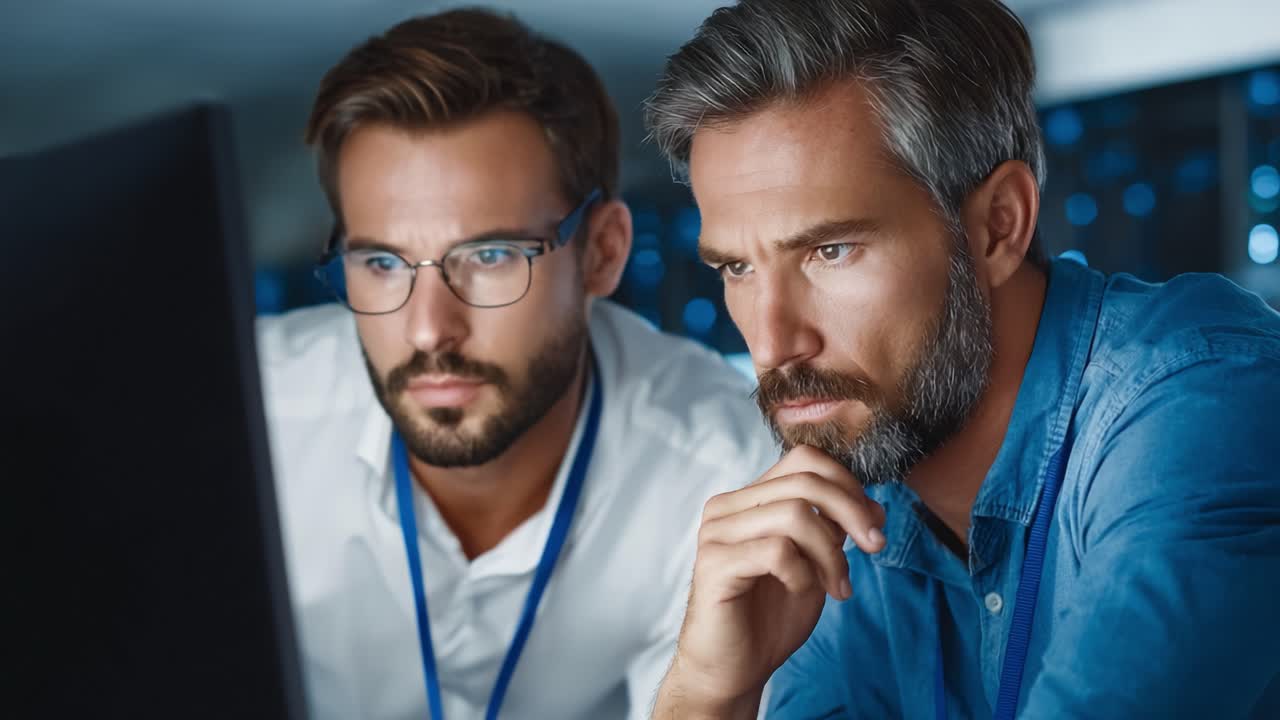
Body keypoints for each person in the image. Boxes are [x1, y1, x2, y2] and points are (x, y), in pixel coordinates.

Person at [642, 1, 1280, 717]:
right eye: (737, 268)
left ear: (999, 226)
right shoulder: (857, 501)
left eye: (830, 250)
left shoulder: (1200, 403)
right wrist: (706, 690)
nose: (771, 345)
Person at [256, 9, 777, 719]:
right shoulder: (245, 420)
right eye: (382, 263)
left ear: (603, 253)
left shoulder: (726, 475)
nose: (430, 330)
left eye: (491, 256)